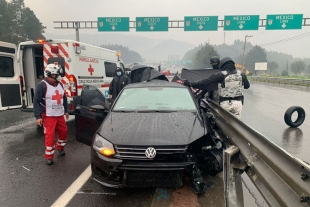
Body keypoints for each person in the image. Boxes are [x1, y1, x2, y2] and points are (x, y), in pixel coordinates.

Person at [183, 57, 250, 118]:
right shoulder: (241, 74)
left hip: (225, 103)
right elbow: (247, 86)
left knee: (223, 124)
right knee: (237, 124)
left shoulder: (220, 74)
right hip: (238, 103)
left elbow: (205, 81)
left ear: (223, 65)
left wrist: (191, 84)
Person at [33, 63, 69, 165]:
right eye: (55, 75)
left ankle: (60, 147)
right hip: (48, 115)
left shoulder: (60, 84)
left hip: (59, 114)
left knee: (64, 132)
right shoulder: (42, 85)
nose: (58, 76)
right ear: (49, 74)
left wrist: (66, 110)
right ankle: (49, 156)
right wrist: (37, 116)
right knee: (50, 135)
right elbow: (36, 101)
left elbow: (64, 98)